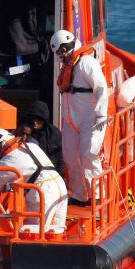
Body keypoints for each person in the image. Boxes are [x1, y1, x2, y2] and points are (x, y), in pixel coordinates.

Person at [51, 30, 108, 206]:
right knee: (70, 155)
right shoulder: (69, 65)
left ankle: (97, 194)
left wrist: (100, 113)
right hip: (71, 118)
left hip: (90, 117)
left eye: (62, 50)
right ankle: (78, 193)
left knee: (88, 154)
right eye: (58, 52)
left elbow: (101, 88)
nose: (61, 55)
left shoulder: (86, 63)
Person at [0, 128, 68, 230]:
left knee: (37, 233)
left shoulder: (8, 161)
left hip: (43, 192)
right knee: (56, 231)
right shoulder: (31, 145)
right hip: (59, 185)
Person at [17, 100, 64, 175]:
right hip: (29, 174)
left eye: (39, 119)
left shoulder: (54, 134)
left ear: (44, 120)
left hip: (51, 173)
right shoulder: (24, 132)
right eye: (33, 118)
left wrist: (59, 176)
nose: (35, 122)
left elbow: (61, 159)